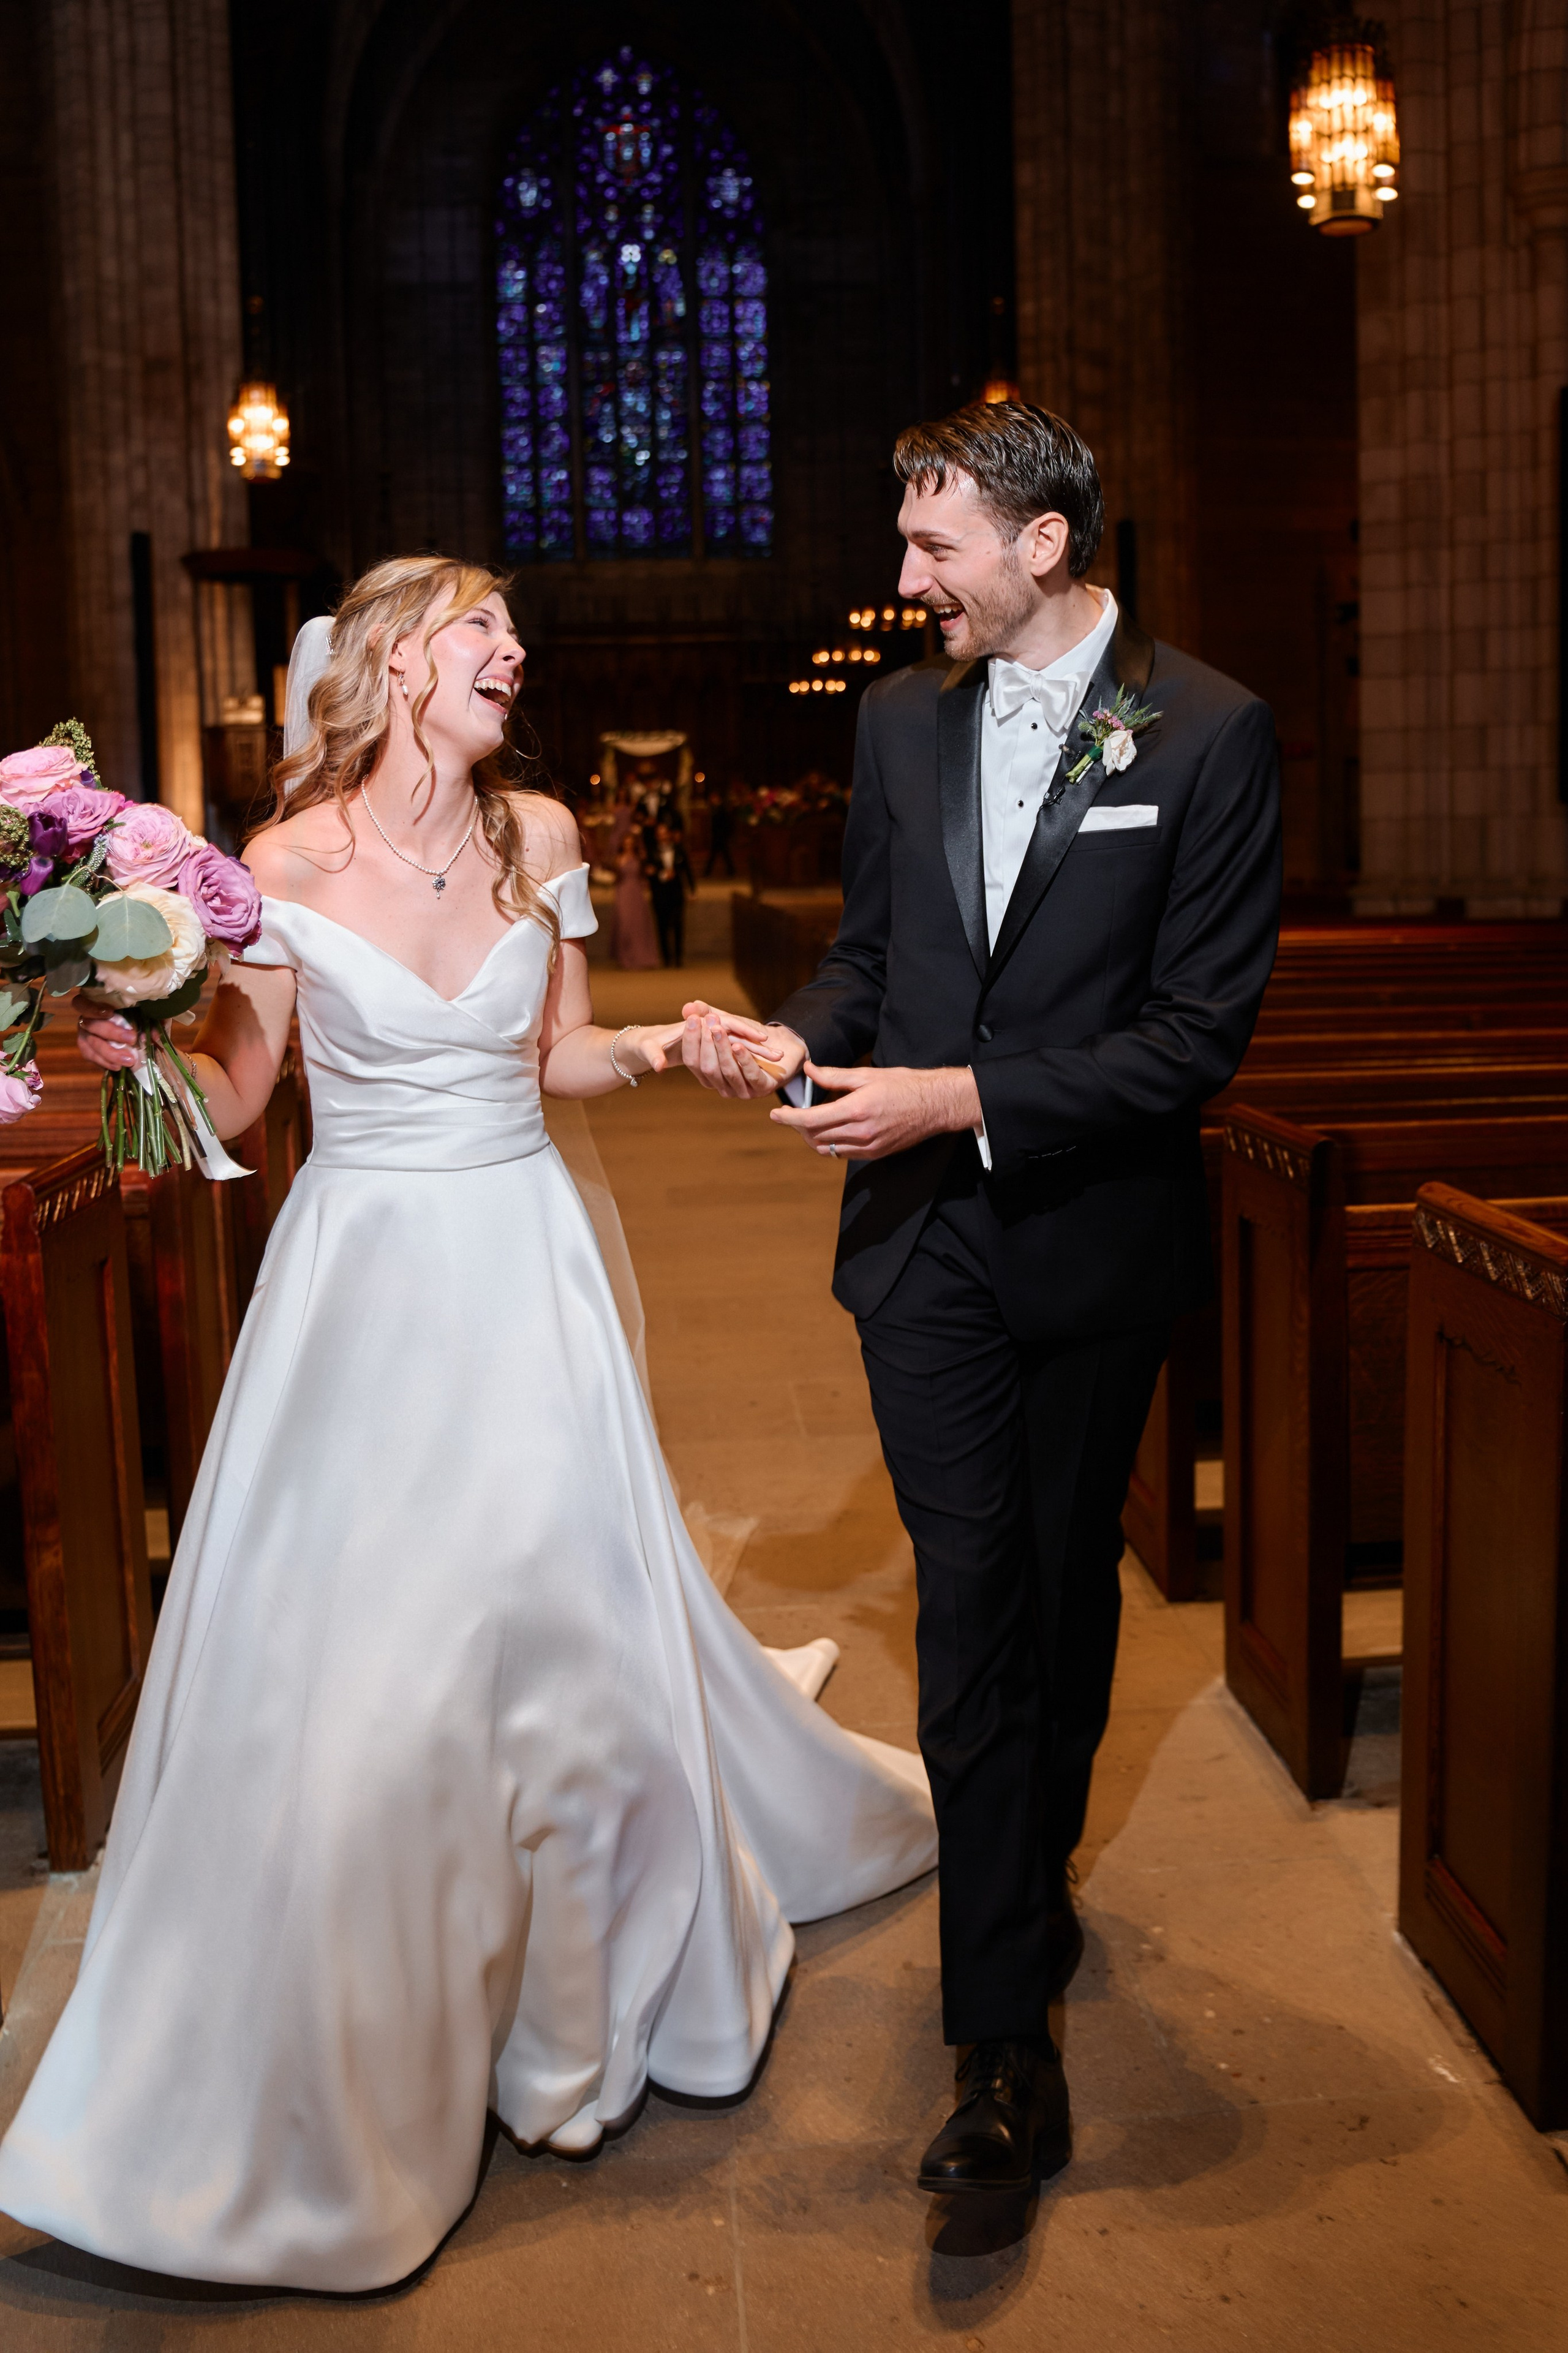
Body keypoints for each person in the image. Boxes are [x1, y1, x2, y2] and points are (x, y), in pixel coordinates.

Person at [0, 556, 935, 2293]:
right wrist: (133, 1046)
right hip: (362, 1282)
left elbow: (549, 1055)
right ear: (392, 661)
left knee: (562, 1634)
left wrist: (658, 1053)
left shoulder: (542, 837)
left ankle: (579, 2004)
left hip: (524, 1261)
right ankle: (369, 2030)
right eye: (479, 628)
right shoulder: (278, 867)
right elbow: (244, 1093)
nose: (515, 648)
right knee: (383, 1665)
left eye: (512, 628)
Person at [682, 401, 1281, 2204]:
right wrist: (794, 1037)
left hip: (1090, 1241)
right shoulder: (897, 720)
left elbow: (1191, 1038)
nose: (905, 576)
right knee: (968, 1605)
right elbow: (873, 954)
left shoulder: (1209, 730)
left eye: (932, 544)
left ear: (1042, 543)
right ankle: (1000, 2045)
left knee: (1060, 1590)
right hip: (921, 1250)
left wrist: (954, 1094)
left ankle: (1025, 1866)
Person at [648, 816, 695, 967]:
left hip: (677, 893)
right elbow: (648, 872)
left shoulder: (680, 850)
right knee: (662, 927)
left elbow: (688, 870)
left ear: (669, 834)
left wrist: (692, 890)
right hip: (660, 895)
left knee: (678, 925)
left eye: (665, 833)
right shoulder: (652, 852)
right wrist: (662, 874)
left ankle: (678, 958)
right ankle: (666, 959)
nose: (663, 836)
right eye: (660, 834)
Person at [611, 825, 660, 969]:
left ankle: (643, 957)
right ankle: (626, 958)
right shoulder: (619, 859)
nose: (629, 846)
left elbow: (645, 874)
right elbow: (616, 877)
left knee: (639, 924)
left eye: (631, 843)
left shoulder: (640, 857)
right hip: (623, 892)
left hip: (637, 892)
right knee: (625, 924)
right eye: (626, 843)